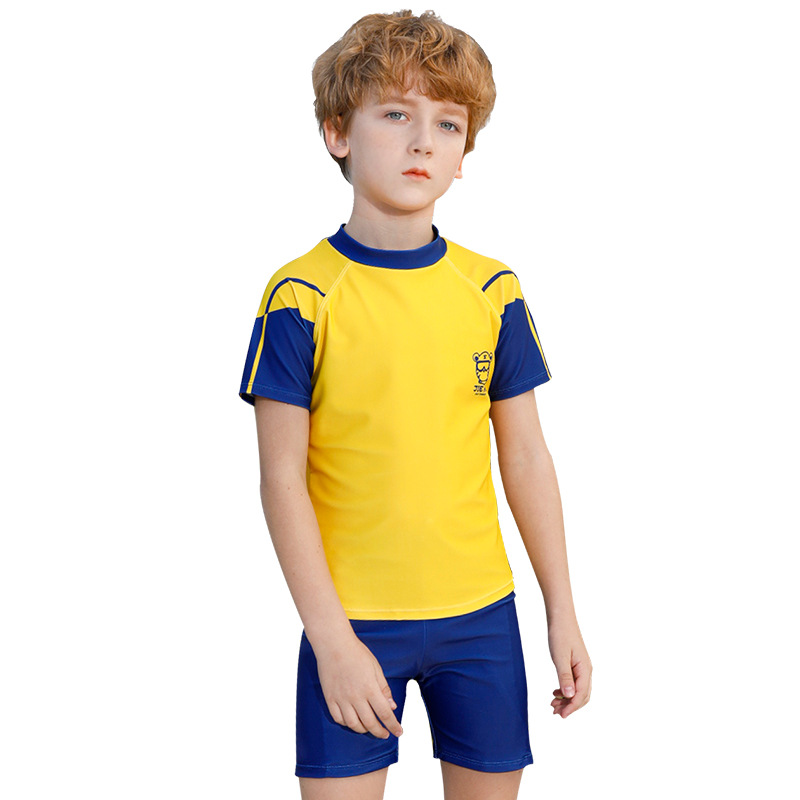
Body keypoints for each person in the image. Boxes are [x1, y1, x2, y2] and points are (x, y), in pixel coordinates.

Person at [238, 9, 592, 800]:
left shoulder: (493, 290)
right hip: (351, 621)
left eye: (448, 123)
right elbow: (281, 480)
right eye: (396, 115)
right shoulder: (300, 296)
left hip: (482, 620)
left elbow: (526, 456)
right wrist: (331, 640)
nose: (423, 141)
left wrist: (561, 611)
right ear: (338, 133)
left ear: (464, 156)